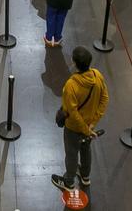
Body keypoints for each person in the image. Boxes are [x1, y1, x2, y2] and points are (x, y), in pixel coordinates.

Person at [50, 47, 109, 191]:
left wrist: (84, 129)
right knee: (85, 150)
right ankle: (85, 176)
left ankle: (69, 182)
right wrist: (92, 124)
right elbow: (104, 99)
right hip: (89, 126)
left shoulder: (71, 85)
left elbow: (73, 113)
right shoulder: (97, 75)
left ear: (74, 63)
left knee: (71, 154)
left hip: (73, 128)